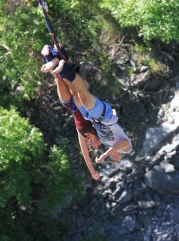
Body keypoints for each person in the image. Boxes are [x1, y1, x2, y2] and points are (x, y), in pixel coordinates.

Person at [41, 45, 132, 178]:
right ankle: (60, 63)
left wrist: (93, 172)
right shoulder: (126, 149)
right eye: (117, 160)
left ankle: (56, 61)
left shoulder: (104, 141)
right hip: (103, 116)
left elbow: (85, 153)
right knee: (82, 93)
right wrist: (105, 154)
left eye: (113, 160)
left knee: (76, 94)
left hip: (89, 116)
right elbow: (122, 142)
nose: (115, 160)